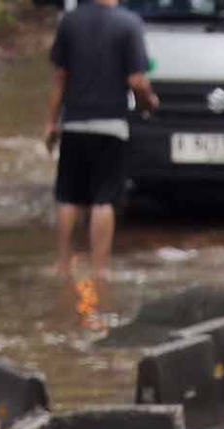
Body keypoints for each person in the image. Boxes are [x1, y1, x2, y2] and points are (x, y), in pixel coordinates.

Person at [47, 0, 160, 300]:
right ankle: (100, 270)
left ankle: (62, 264)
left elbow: (59, 77)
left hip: (74, 124)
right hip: (111, 125)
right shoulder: (129, 24)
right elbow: (136, 80)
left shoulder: (69, 21)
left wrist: (51, 123)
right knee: (103, 199)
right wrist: (149, 101)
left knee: (68, 196)